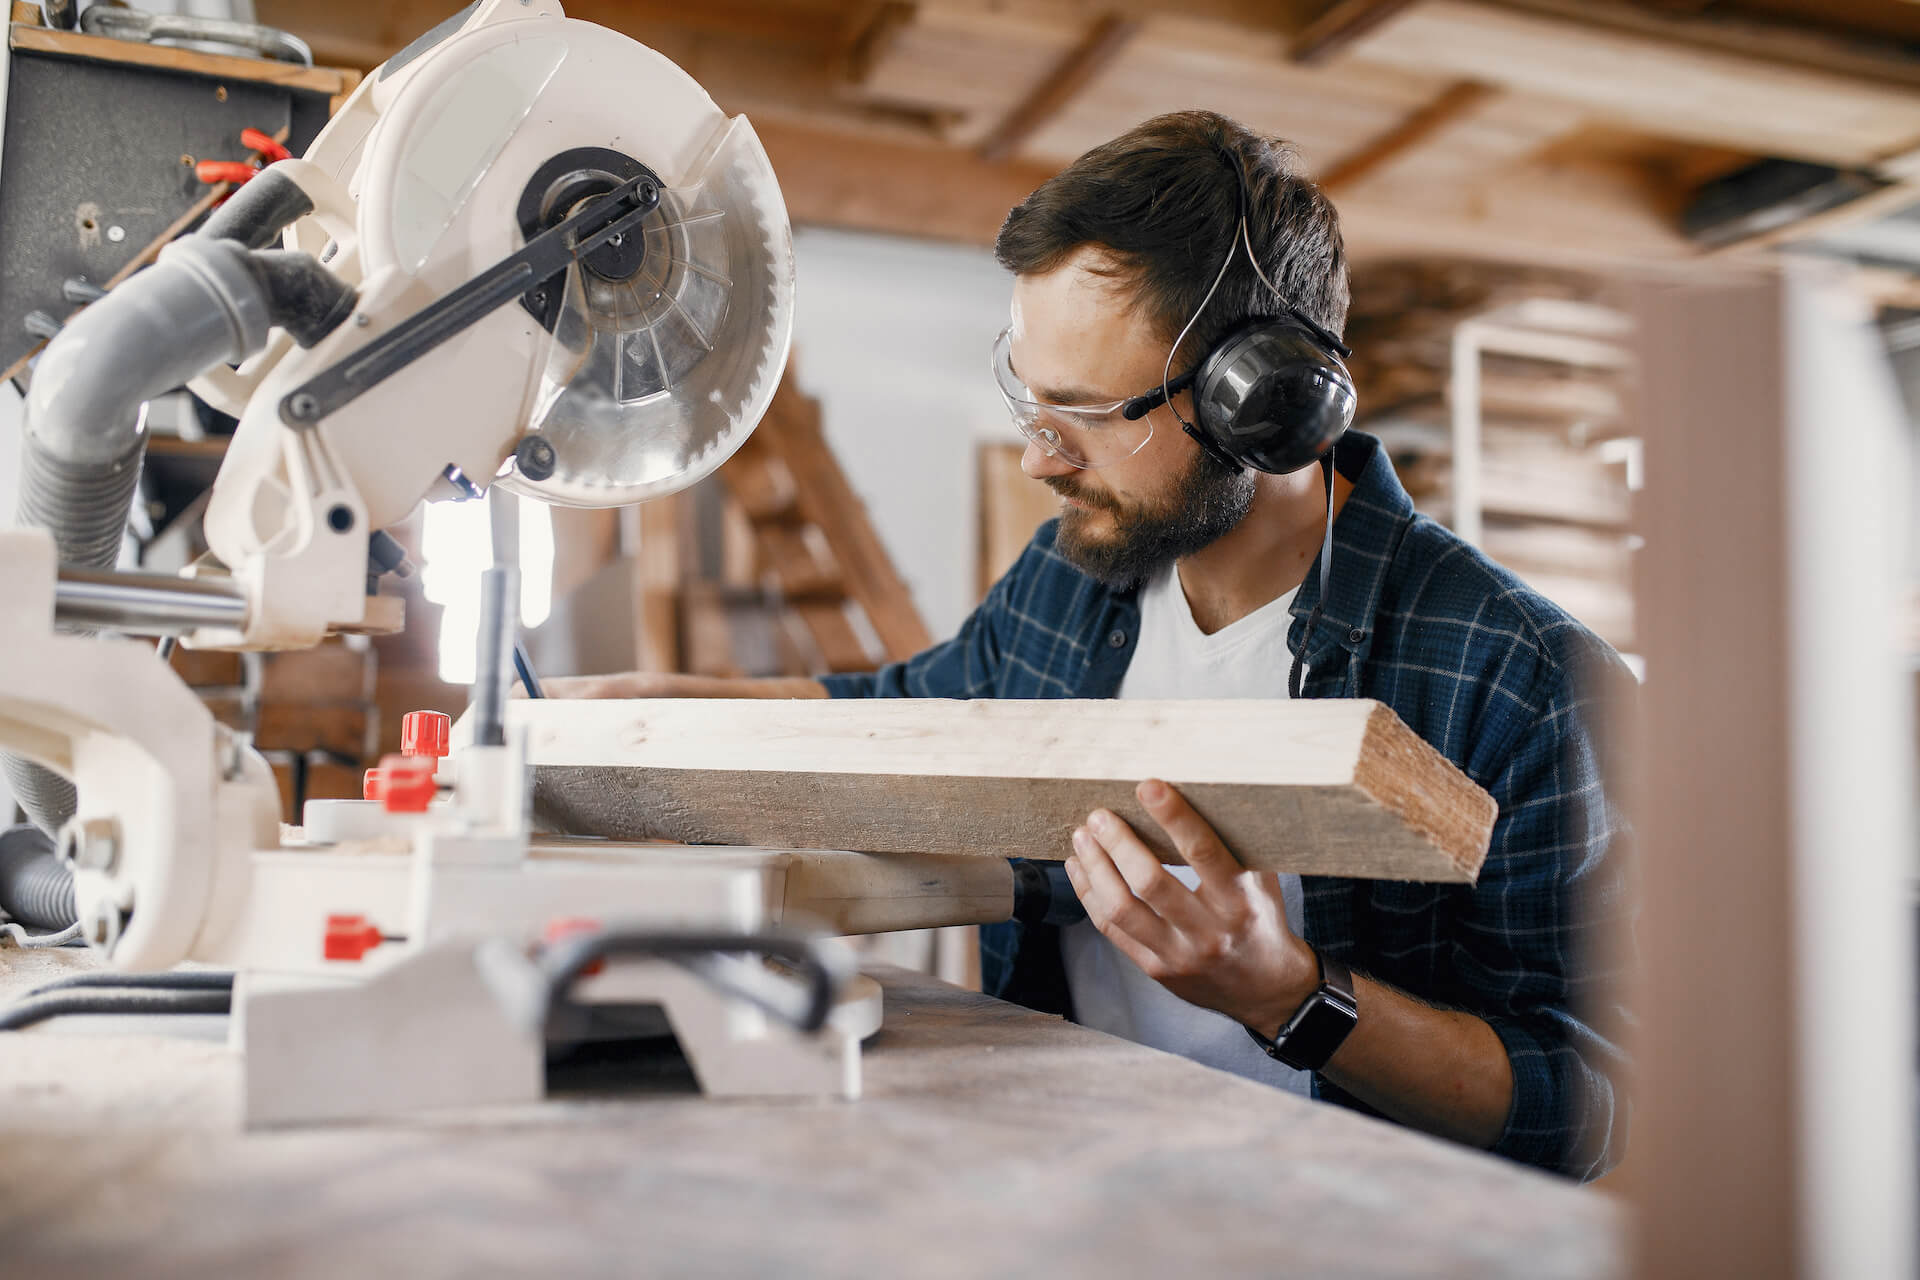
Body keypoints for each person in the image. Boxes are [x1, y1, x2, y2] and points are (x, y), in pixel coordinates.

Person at [544, 110, 1631, 1181]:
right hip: (1073, 1176)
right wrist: (659, 703)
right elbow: (916, 702)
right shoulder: (1071, 580)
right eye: (1029, 398)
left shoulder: (1520, 675)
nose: (1035, 459)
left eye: (1085, 414)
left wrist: (1286, 991)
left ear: (1265, 403)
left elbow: (1583, 1104)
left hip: (1343, 1225)